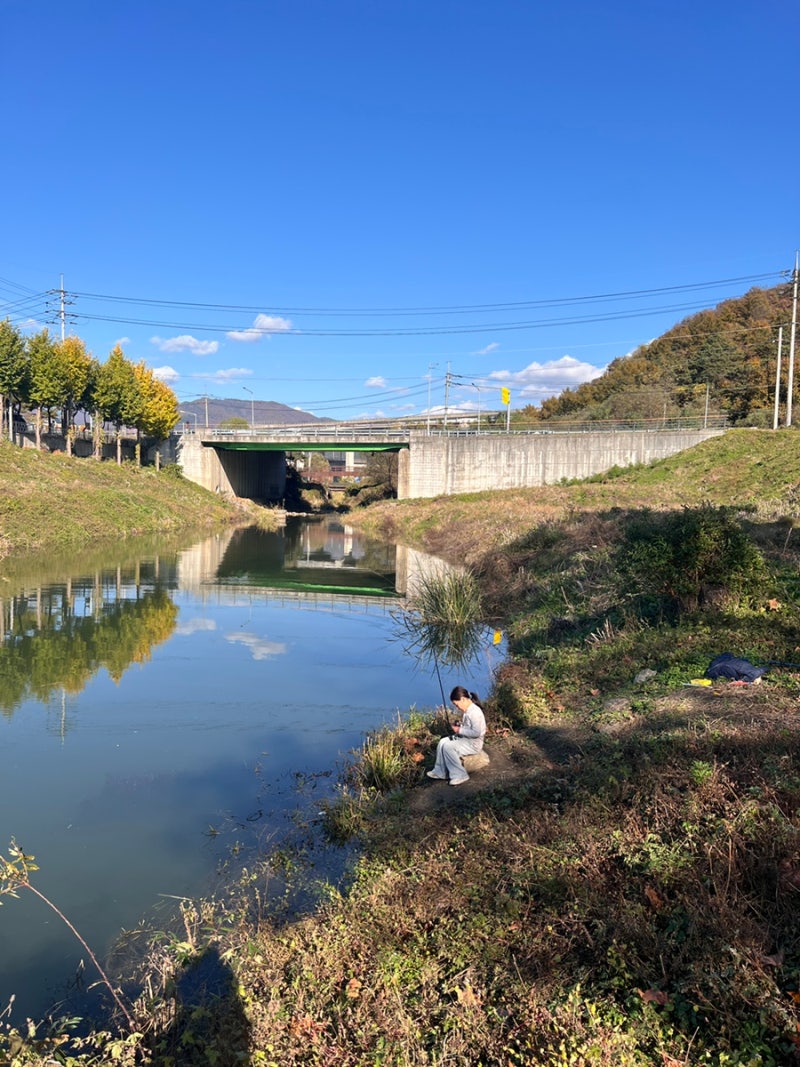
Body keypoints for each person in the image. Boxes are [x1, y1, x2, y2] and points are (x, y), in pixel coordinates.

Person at [427, 686, 487, 786]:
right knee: (442, 742)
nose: (457, 707)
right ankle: (440, 771)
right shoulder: (468, 711)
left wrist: (459, 730)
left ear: (463, 699)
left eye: (456, 704)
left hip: (473, 743)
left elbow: (476, 733)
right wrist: (461, 726)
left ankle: (460, 775)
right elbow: (469, 727)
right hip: (466, 739)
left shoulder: (475, 712)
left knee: (448, 747)